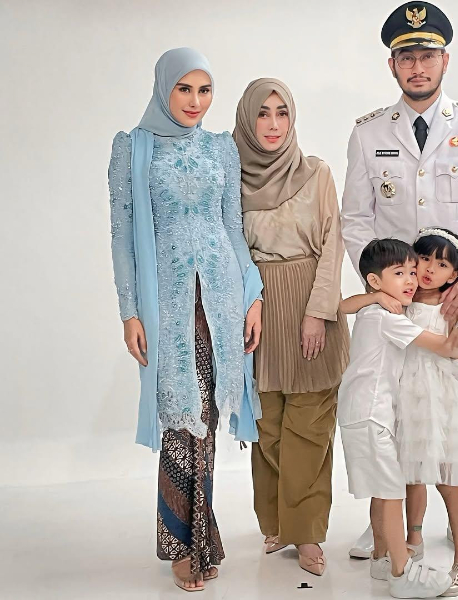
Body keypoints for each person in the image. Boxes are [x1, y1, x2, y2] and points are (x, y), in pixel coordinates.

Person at [342, 0, 458, 563]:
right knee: (386, 405)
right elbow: (356, 218)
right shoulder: (369, 132)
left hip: (453, 298)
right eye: (407, 56)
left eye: (428, 55)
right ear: (392, 66)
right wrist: (382, 288)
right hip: (393, 302)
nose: (418, 66)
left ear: (446, 61)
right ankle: (385, 516)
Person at [108, 47, 263, 593]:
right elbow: (123, 237)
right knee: (181, 421)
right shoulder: (134, 150)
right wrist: (130, 311)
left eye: (205, 91)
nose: (196, 102)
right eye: (184, 90)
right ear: (163, 89)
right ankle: (181, 541)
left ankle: (202, 534)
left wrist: (253, 295)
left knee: (210, 422)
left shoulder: (221, 150)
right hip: (169, 307)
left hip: (219, 304)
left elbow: (233, 227)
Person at [343, 227, 458, 596]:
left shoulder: (452, 306)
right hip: (400, 400)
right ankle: (411, 544)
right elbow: (345, 307)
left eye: (441, 263)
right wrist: (375, 297)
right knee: (407, 477)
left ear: (455, 275)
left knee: (447, 480)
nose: (428, 270)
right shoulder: (400, 301)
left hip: (439, 401)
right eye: (422, 261)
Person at [234, 78, 350, 576]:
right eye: (263, 113)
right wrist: (243, 302)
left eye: (282, 112)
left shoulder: (315, 172)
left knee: (310, 424)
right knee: (268, 426)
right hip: (257, 307)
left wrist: (317, 312)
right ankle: (276, 522)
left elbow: (333, 242)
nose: (274, 124)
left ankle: (306, 534)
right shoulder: (230, 176)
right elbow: (228, 246)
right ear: (247, 119)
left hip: (309, 301)